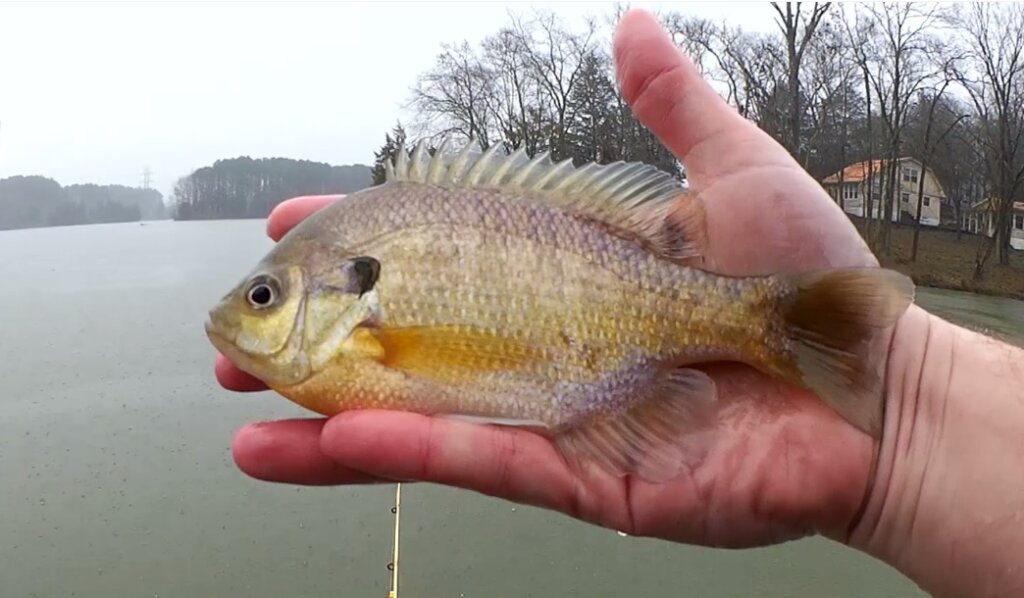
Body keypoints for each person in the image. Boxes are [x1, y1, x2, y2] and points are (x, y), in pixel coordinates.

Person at [213, 9, 1024, 598]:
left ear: (337, 289)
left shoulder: (363, 294)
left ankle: (777, 325)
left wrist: (913, 404)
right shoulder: (351, 279)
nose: (245, 315)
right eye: (262, 295)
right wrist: (916, 429)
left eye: (264, 296)